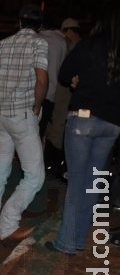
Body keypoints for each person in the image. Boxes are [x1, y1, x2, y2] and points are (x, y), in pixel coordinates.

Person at [47, 0, 120, 255]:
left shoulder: (89, 46)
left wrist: (81, 80)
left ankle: (66, 243)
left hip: (83, 120)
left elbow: (65, 74)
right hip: (112, 125)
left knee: (77, 183)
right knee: (93, 184)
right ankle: (77, 240)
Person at [0, 4, 49, 246]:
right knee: (35, 176)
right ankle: (8, 224)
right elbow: (41, 79)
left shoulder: (1, 44)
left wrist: (1, 97)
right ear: (39, 26)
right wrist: (37, 105)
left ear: (19, 22)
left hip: (1, 117)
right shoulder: (39, 44)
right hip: (22, 115)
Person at [43, 18, 82, 179]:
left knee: (55, 128)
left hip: (56, 93)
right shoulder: (65, 45)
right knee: (57, 128)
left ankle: (50, 163)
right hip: (61, 93)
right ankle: (51, 164)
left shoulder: (59, 43)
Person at [38, 19, 69, 138]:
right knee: (40, 129)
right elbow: (63, 67)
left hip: (32, 91)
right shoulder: (61, 41)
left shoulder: (36, 37)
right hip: (50, 92)